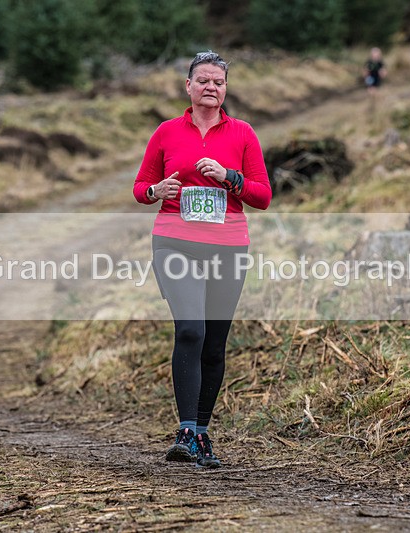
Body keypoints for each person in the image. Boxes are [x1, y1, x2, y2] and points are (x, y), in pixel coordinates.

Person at [133, 51, 272, 468]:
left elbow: (262, 196)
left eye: (218, 81)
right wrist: (157, 192)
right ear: (188, 87)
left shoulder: (243, 133)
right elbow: (140, 187)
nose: (211, 87)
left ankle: (204, 435)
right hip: (175, 241)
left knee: (214, 343)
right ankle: (186, 429)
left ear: (225, 89)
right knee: (190, 330)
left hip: (228, 245)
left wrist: (229, 178)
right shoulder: (166, 132)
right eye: (203, 80)